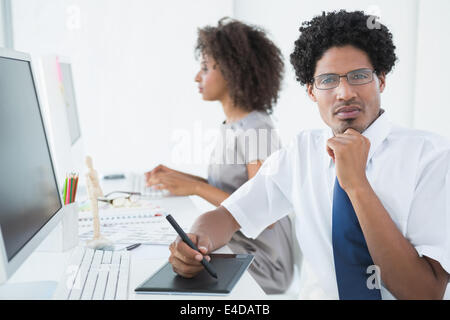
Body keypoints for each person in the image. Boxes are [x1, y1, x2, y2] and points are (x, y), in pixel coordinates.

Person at [167, 10, 450, 300]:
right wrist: (194, 243)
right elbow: (226, 217)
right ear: (312, 91)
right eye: (328, 80)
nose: (344, 92)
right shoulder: (302, 152)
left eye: (359, 76)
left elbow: (424, 293)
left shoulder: (431, 158)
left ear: (381, 80)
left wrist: (356, 185)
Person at [145, 18, 295, 294]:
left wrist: (196, 187)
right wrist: (179, 177)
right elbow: (232, 188)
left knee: (174, 272)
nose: (196, 77)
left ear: (231, 71)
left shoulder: (256, 128)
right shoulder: (233, 124)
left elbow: (266, 210)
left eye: (205, 68)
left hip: (263, 260)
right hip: (239, 243)